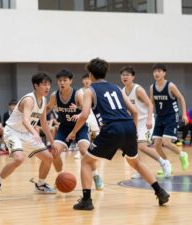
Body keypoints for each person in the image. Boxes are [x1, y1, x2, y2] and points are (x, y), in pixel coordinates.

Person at [66, 58, 169, 210]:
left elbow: (84, 114)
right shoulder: (116, 87)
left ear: (90, 74)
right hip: (128, 125)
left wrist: (73, 132)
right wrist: (132, 133)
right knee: (135, 162)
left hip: (112, 128)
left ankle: (87, 201)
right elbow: (133, 111)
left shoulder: (90, 90)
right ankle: (160, 191)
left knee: (86, 162)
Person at [0, 72, 57, 200]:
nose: (47, 87)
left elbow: (44, 123)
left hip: (28, 133)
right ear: (36, 85)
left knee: (48, 158)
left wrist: (52, 142)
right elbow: (25, 121)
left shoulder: (44, 100)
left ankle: (40, 184)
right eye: (44, 84)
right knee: (19, 159)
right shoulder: (29, 100)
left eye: (49, 84)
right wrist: (35, 132)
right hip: (13, 132)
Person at [47, 69, 103, 190]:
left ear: (70, 81)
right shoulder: (54, 96)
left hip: (80, 127)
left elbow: (86, 110)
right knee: (55, 152)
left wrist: (80, 113)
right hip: (64, 128)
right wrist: (36, 115)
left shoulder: (77, 94)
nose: (62, 82)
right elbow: (47, 108)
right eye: (60, 80)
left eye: (65, 80)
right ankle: (60, 177)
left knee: (84, 151)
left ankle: (96, 175)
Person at [120, 66, 171, 178]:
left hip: (146, 121)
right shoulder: (122, 91)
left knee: (142, 146)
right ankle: (140, 170)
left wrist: (149, 119)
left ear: (133, 77)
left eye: (127, 75)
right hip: (135, 122)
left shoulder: (138, 89)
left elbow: (150, 104)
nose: (125, 77)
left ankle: (164, 162)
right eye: (123, 75)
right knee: (133, 147)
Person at [150, 63, 189, 172]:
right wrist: (149, 116)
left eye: (159, 71)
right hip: (159, 117)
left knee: (166, 142)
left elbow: (181, 98)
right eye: (155, 71)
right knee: (156, 144)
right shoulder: (152, 87)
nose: (156, 73)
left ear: (164, 73)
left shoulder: (170, 86)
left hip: (171, 116)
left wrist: (184, 114)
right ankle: (166, 165)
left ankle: (182, 155)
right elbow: (151, 103)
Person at [74, 73, 100, 159]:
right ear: (82, 81)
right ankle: (80, 150)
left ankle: (98, 150)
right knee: (84, 132)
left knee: (98, 134)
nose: (86, 81)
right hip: (84, 114)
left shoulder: (95, 90)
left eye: (88, 79)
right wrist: (77, 108)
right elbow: (80, 106)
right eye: (85, 79)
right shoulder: (79, 92)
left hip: (95, 114)